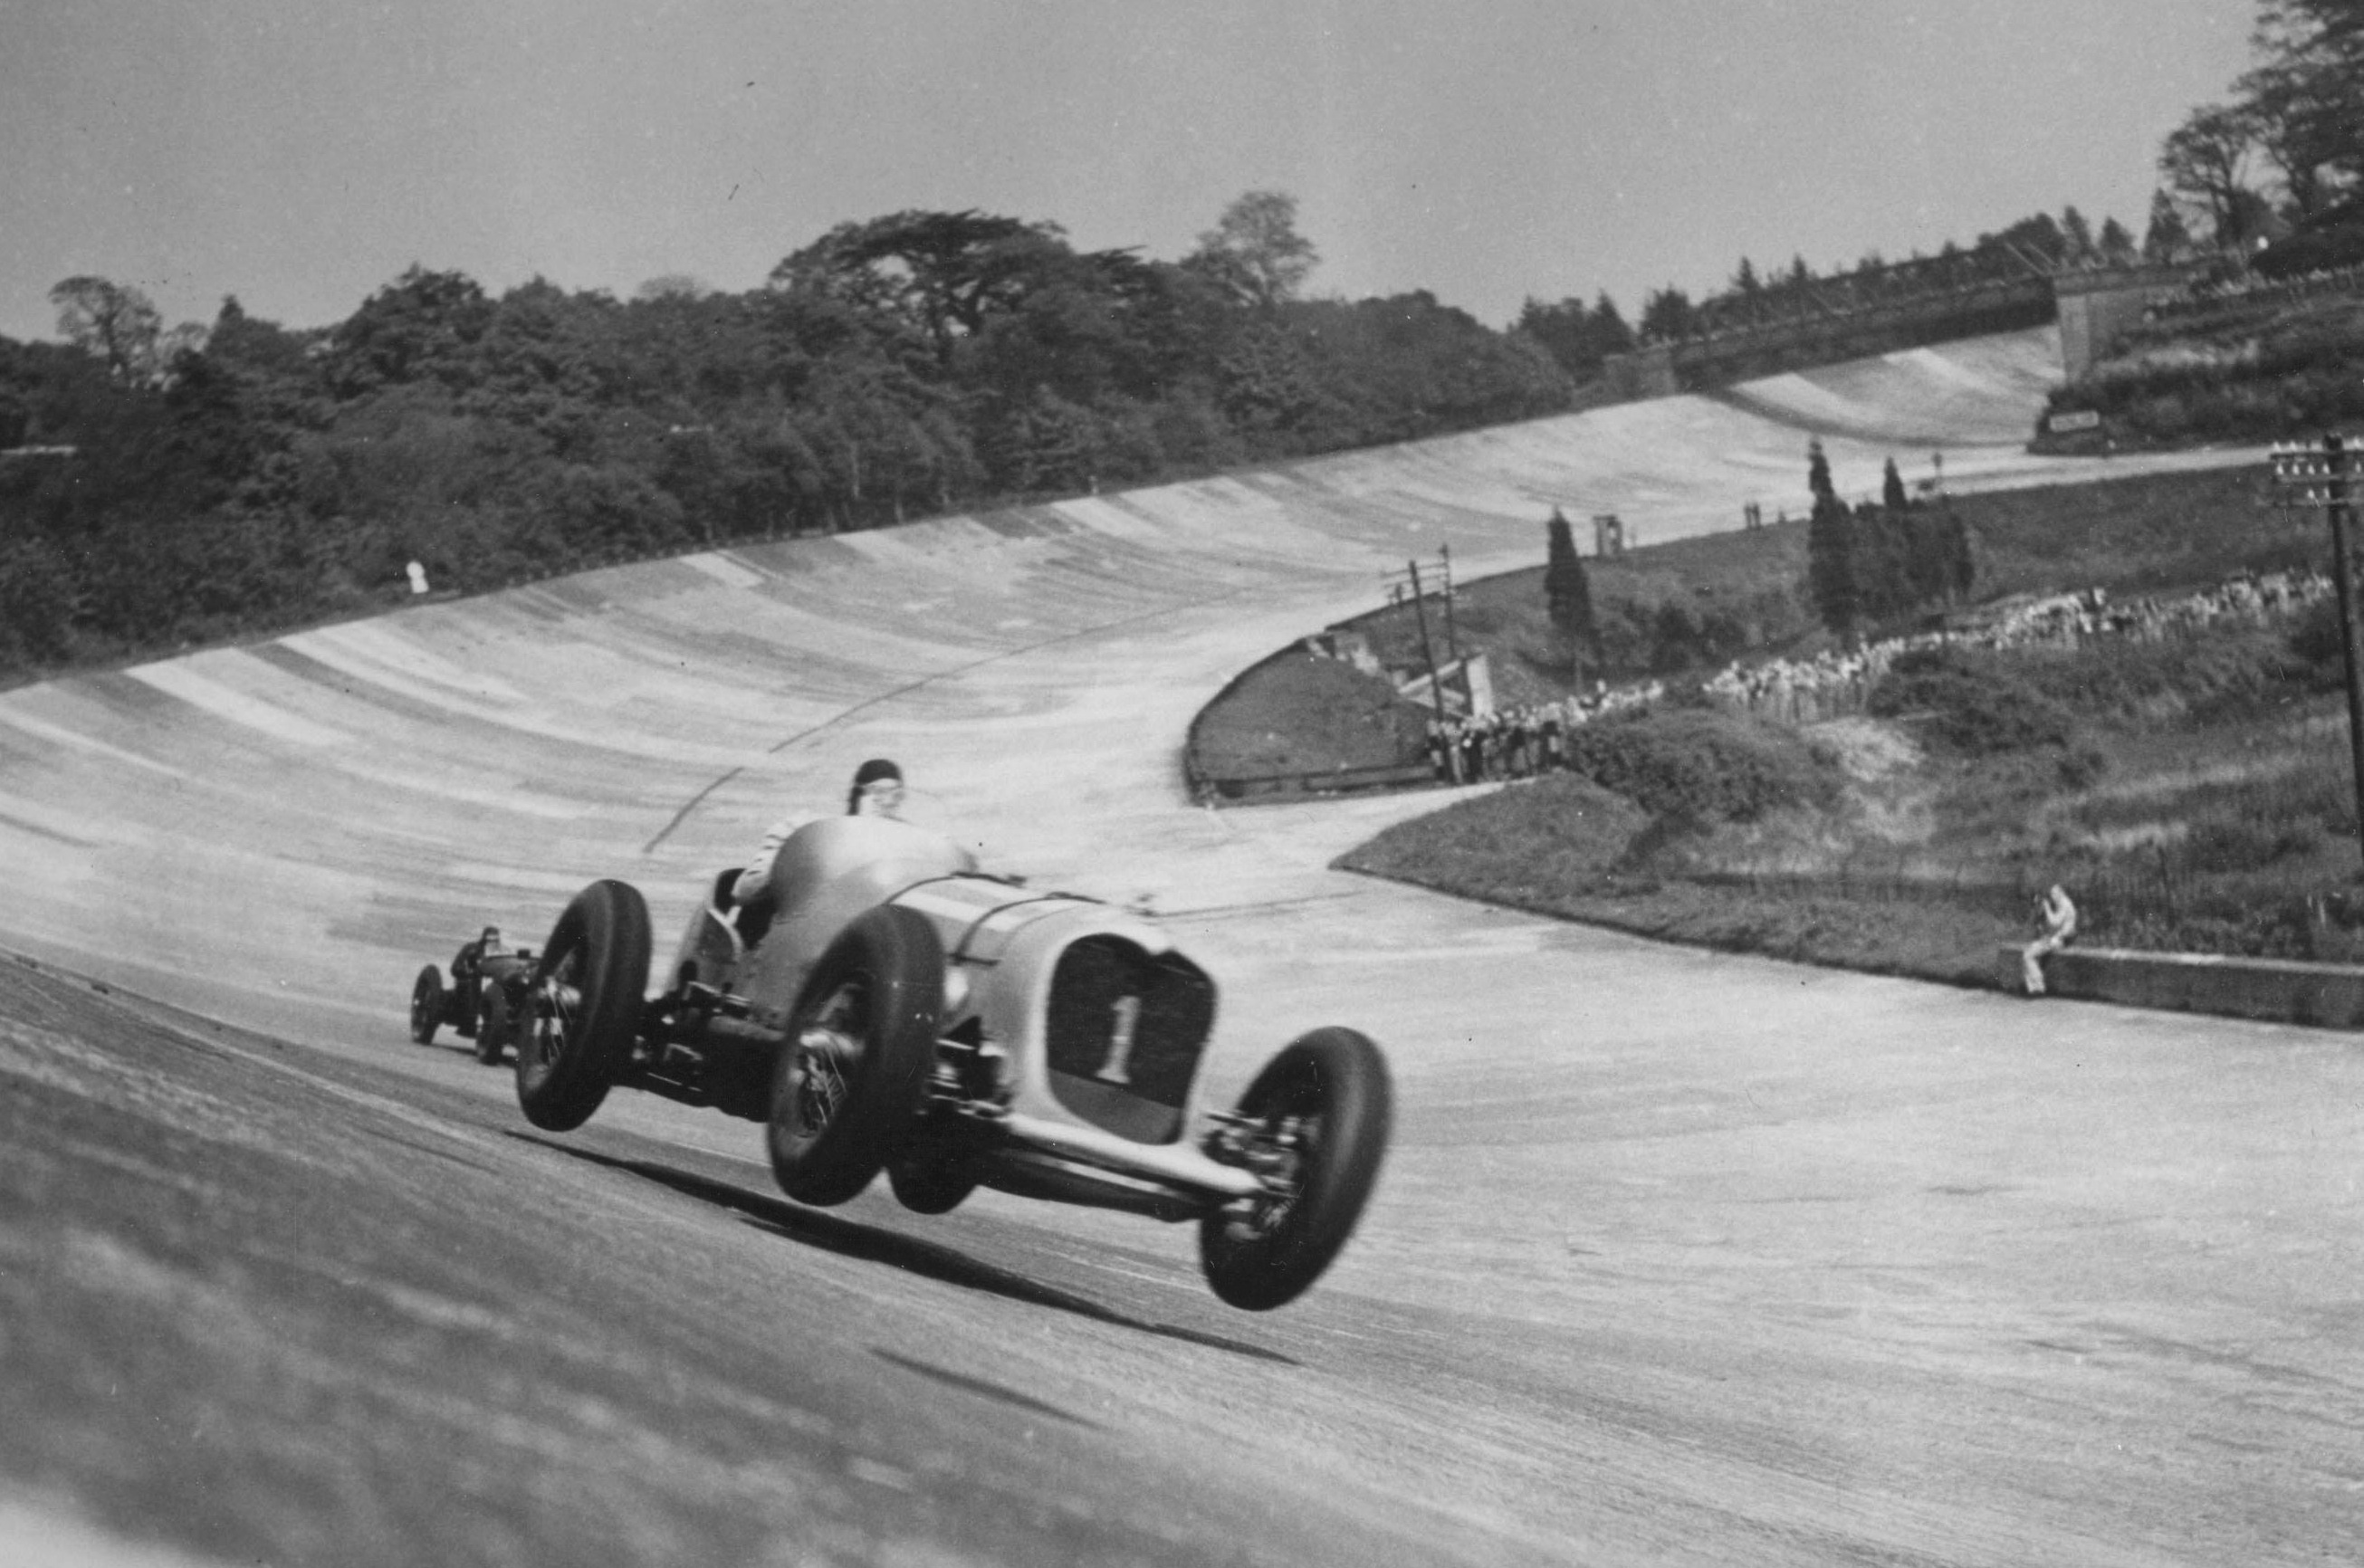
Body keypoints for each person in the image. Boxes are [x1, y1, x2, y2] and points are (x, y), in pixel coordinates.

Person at [731, 759, 906, 946]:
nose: (887, 802)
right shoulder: (807, 830)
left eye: (896, 795)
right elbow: (746, 890)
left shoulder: (904, 842)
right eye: (877, 792)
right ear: (858, 794)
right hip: (799, 935)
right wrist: (796, 861)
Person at [2022, 884, 2077, 996]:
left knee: (2028, 955)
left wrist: (2047, 908)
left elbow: (2055, 922)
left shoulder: (2065, 905)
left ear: (2061, 893)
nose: (2052, 896)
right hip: (2058, 938)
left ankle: (2038, 987)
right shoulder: (2063, 904)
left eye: (2055, 893)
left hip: (2060, 940)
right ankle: (2034, 987)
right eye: (2052, 893)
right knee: (2030, 950)